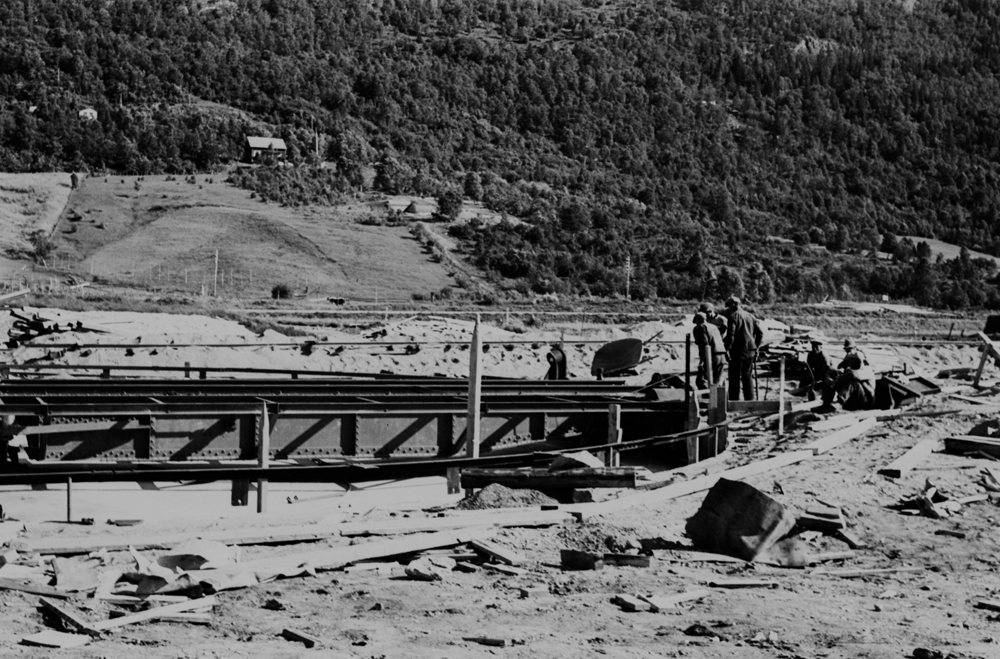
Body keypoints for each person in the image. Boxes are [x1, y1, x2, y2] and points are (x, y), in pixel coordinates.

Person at [724, 296, 763, 401]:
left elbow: (731, 335)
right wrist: (756, 348)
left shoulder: (733, 317)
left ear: (734, 304)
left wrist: (727, 349)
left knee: (734, 376)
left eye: (729, 306)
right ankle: (750, 400)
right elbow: (760, 334)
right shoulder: (751, 316)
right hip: (750, 351)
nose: (728, 309)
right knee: (747, 376)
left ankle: (734, 400)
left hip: (737, 351)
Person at [821, 338, 875, 411]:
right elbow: (841, 366)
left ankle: (840, 402)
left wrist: (836, 381)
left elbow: (852, 375)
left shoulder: (866, 369)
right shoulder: (851, 363)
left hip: (865, 399)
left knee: (854, 383)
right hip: (855, 397)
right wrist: (831, 377)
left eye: (853, 361)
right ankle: (826, 403)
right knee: (834, 374)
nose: (851, 363)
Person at [693, 312, 727, 391]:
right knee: (716, 380)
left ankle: (707, 400)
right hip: (722, 356)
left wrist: (701, 361)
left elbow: (704, 345)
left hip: (711, 355)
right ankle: (716, 400)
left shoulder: (700, 328)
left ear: (698, 320)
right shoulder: (714, 326)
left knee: (701, 381)